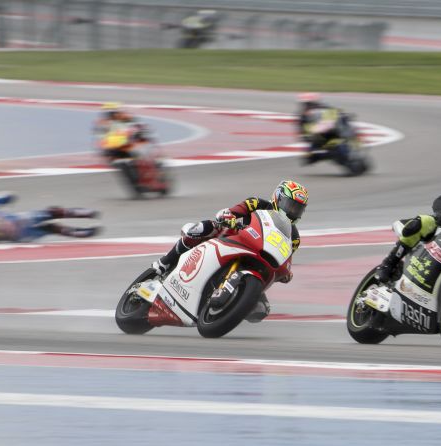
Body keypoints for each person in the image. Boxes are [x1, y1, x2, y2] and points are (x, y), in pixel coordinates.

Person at [151, 180, 309, 322]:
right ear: (278, 198)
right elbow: (234, 211)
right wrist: (229, 216)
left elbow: (284, 257)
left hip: (256, 260)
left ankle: (226, 307)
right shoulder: (257, 203)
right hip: (233, 237)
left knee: (260, 311)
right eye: (291, 205)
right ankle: (166, 262)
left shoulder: (294, 237)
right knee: (200, 229)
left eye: (298, 209)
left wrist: (286, 273)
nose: (293, 212)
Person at [0, 192, 100, 243]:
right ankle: (85, 213)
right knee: (52, 213)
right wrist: (9, 198)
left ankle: (83, 232)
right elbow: (2, 196)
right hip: (23, 220)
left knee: (51, 228)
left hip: (21, 236)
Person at [296, 93, 357, 165]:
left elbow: (338, 113)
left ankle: (354, 147)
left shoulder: (325, 108)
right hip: (318, 137)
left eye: (309, 104)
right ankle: (322, 156)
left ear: (315, 102)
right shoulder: (302, 116)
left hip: (333, 132)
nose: (307, 106)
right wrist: (306, 136)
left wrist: (344, 115)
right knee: (307, 157)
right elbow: (301, 130)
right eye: (305, 104)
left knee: (348, 132)